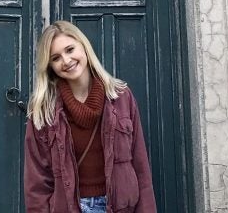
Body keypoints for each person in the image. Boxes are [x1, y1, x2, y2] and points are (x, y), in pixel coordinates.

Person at [24, 20, 157, 213]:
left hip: (120, 207)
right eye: (56, 58)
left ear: (84, 47)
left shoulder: (120, 97)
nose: (66, 61)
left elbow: (140, 165)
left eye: (70, 49)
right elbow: (36, 182)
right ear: (50, 66)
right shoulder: (44, 111)